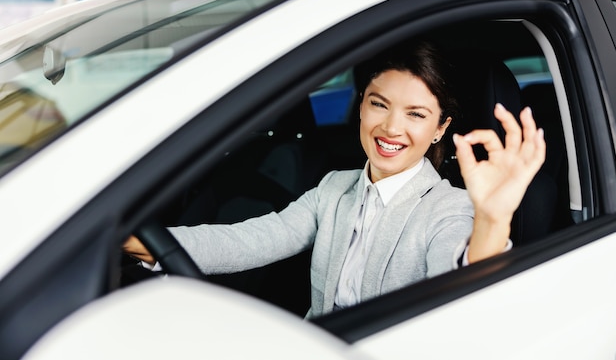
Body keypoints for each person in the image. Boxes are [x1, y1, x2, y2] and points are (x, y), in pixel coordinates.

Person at [124, 41, 546, 317]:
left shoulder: (449, 207)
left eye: (416, 114)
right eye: (380, 105)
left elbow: (464, 287)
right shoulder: (333, 189)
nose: (391, 128)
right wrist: (145, 242)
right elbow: (253, 239)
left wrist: (491, 220)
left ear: (440, 127)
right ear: (360, 106)